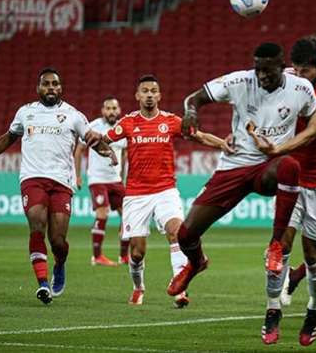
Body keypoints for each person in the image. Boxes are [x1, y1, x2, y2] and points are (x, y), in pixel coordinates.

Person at [165, 43, 316, 336]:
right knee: (186, 234)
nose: (262, 76)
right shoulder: (240, 80)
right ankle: (196, 264)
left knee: (289, 169)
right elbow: (195, 98)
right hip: (235, 165)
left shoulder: (301, 88)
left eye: (267, 71)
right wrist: (190, 112)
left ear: (282, 68)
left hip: (273, 167)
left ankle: (277, 246)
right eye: (258, 70)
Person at [0, 67, 116, 304]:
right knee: (37, 223)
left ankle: (60, 264)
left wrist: (107, 151)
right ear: (38, 88)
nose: (51, 88)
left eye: (55, 84)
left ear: (61, 88)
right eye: (46, 84)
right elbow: (8, 137)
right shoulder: (25, 113)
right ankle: (43, 283)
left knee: (58, 241)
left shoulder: (74, 115)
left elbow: (91, 139)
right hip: (32, 178)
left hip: (61, 183)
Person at [86, 75, 229, 307]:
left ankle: (180, 289)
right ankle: (138, 287)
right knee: (137, 253)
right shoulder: (128, 122)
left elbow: (199, 136)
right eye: (145, 91)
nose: (150, 94)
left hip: (166, 191)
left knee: (177, 233)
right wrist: (109, 153)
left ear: (160, 95)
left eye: (154, 91)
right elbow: (101, 140)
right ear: (138, 96)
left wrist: (224, 144)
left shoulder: (171, 121)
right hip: (136, 194)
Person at [249, 36, 316, 346]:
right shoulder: (289, 78)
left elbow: (312, 133)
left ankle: (315, 310)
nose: (298, 75)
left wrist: (276, 147)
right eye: (295, 68)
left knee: (313, 252)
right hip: (291, 175)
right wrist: (255, 131)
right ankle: (272, 309)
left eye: (305, 70)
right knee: (279, 244)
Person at [75, 96, 129, 266]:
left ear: (119, 110)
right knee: (102, 213)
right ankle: (97, 256)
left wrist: (125, 179)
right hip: (97, 178)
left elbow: (126, 156)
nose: (111, 111)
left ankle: (124, 256)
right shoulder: (93, 127)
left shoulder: (123, 129)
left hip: (116, 180)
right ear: (103, 111)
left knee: (128, 216)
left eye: (114, 108)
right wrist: (78, 175)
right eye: (108, 108)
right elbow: (79, 150)